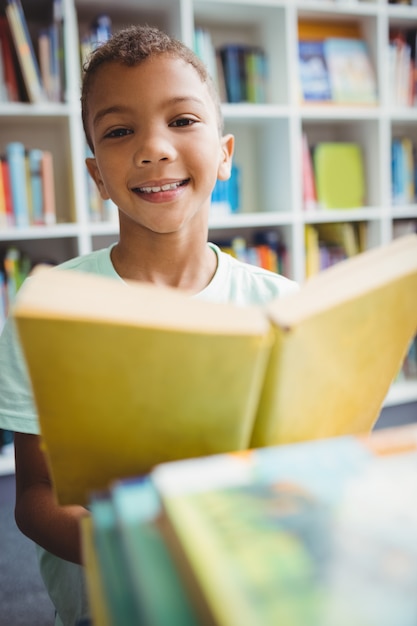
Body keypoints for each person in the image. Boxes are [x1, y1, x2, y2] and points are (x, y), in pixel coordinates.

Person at [0, 25, 298, 626]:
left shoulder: (282, 305)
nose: (154, 147)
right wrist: (136, 552)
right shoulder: (53, 302)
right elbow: (35, 498)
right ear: (97, 176)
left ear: (224, 152)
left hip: (245, 598)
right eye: (119, 131)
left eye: (183, 121)